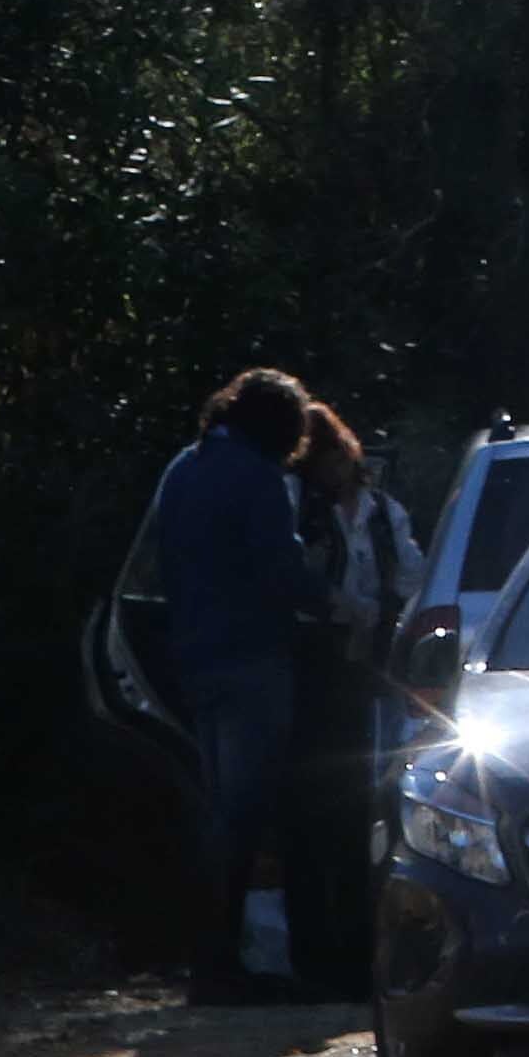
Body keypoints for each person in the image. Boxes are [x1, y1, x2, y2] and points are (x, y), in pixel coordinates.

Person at [150, 367, 328, 1002]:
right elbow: (279, 570)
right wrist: (332, 602)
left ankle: (210, 956)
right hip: (252, 657)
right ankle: (231, 966)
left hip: (195, 658)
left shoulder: (183, 469)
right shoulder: (256, 478)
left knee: (220, 804)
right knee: (247, 812)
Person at [285, 400, 424, 995]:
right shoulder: (296, 510)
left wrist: (387, 629)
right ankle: (318, 957)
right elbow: (294, 582)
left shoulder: (383, 513)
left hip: (372, 676)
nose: (333, 465)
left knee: (366, 813)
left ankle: (359, 951)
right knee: (316, 815)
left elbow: (412, 579)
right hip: (314, 675)